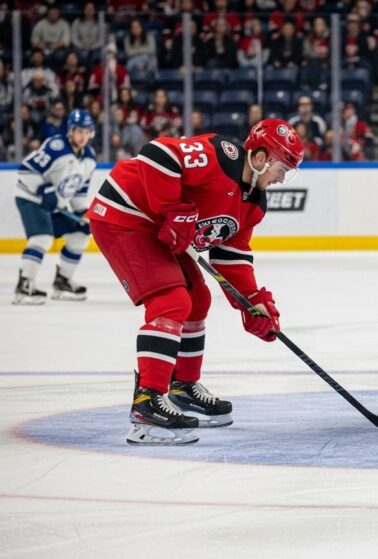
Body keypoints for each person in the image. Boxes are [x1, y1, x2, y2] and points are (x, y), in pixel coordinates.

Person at [85, 118, 304, 445]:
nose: (281, 179)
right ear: (260, 158)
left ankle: (183, 387)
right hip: (125, 215)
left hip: (158, 231)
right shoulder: (220, 156)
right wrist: (171, 208)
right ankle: (147, 403)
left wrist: (252, 303)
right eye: (281, 169)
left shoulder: (253, 203)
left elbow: (232, 255)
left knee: (197, 299)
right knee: (171, 302)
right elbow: (157, 153)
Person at [13, 109, 96, 305]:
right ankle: (24, 286)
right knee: (41, 238)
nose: (82, 136)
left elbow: (79, 192)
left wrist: (82, 213)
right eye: (78, 131)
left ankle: (62, 282)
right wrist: (44, 189)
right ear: (70, 130)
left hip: (54, 204)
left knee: (80, 233)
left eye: (86, 131)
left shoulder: (90, 158)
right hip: (30, 198)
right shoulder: (57, 146)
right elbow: (26, 170)